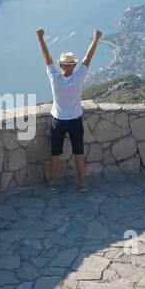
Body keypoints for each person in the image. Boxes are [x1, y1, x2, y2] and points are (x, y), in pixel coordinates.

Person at [36, 27, 102, 191]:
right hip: (75, 121)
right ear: (73, 65)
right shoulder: (79, 77)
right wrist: (96, 38)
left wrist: (40, 38)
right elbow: (88, 57)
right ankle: (82, 183)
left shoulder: (55, 78)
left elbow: (46, 57)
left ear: (60, 65)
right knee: (79, 153)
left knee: (55, 154)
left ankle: (52, 183)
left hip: (58, 122)